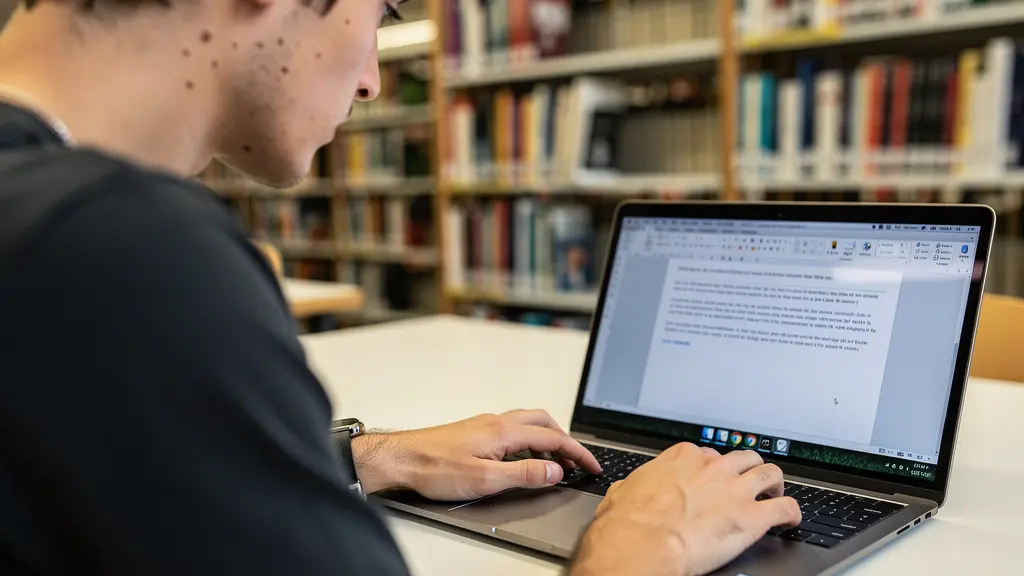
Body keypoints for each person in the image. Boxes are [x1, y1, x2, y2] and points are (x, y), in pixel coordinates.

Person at [0, 0, 801, 574]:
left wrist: (363, 458)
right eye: (380, 14)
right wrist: (639, 549)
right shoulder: (126, 251)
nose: (375, 83)